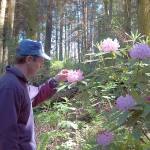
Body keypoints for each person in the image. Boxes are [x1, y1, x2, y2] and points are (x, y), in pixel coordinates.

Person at [0, 39, 68, 150]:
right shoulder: (10, 87)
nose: (41, 65)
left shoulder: (20, 84)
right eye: (40, 61)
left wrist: (55, 80)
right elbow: (5, 136)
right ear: (29, 59)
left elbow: (36, 94)